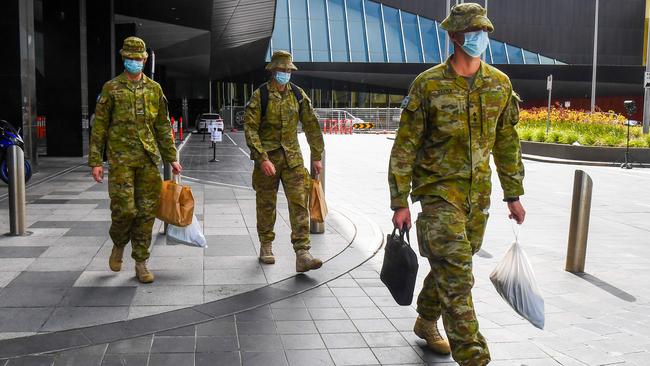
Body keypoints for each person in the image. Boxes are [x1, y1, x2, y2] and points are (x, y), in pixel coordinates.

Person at [388, 3, 526, 365]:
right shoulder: (429, 84)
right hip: (437, 196)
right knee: (459, 277)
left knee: (453, 266)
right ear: (454, 36)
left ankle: (426, 319)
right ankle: (474, 357)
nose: (480, 38)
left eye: (483, 32)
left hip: (477, 198)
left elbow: (507, 142)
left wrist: (513, 194)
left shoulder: (499, 85)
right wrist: (399, 200)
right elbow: (405, 145)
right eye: (472, 32)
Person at [88, 36, 182, 284]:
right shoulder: (112, 88)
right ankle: (119, 243)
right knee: (124, 209)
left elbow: (162, 126)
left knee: (146, 213)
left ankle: (141, 262)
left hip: (148, 160)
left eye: (138, 59)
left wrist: (171, 157)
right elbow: (99, 127)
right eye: (129, 58)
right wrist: (96, 161)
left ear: (145, 59)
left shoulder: (154, 89)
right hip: (121, 161)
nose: (134, 62)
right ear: (124, 59)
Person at [244, 50, 324, 273]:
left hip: (293, 159)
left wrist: (317, 155)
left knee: (299, 202)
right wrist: (261, 159)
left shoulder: (298, 95)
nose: (285, 73)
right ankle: (266, 245)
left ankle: (302, 253)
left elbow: (311, 125)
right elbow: (250, 129)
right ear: (273, 70)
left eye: (288, 70)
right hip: (268, 160)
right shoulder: (261, 95)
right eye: (282, 70)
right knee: (266, 203)